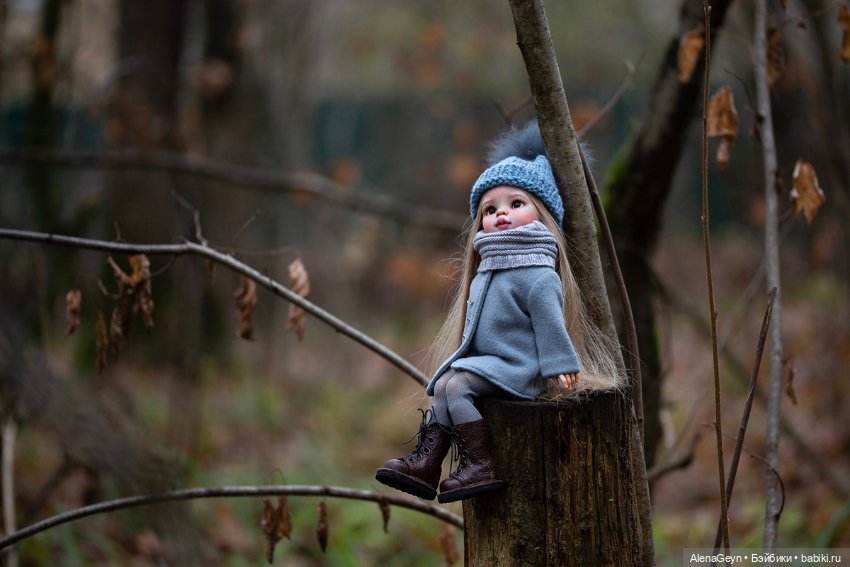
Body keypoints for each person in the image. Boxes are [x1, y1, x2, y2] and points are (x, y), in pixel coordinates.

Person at [375, 121, 622, 504]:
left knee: (454, 386)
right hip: (492, 362)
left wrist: (561, 363)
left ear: (542, 214)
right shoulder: (487, 268)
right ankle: (428, 465)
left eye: (516, 203)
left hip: (522, 366)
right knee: (443, 385)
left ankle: (479, 463)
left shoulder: (538, 274)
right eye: (490, 209)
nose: (501, 214)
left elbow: (549, 321)